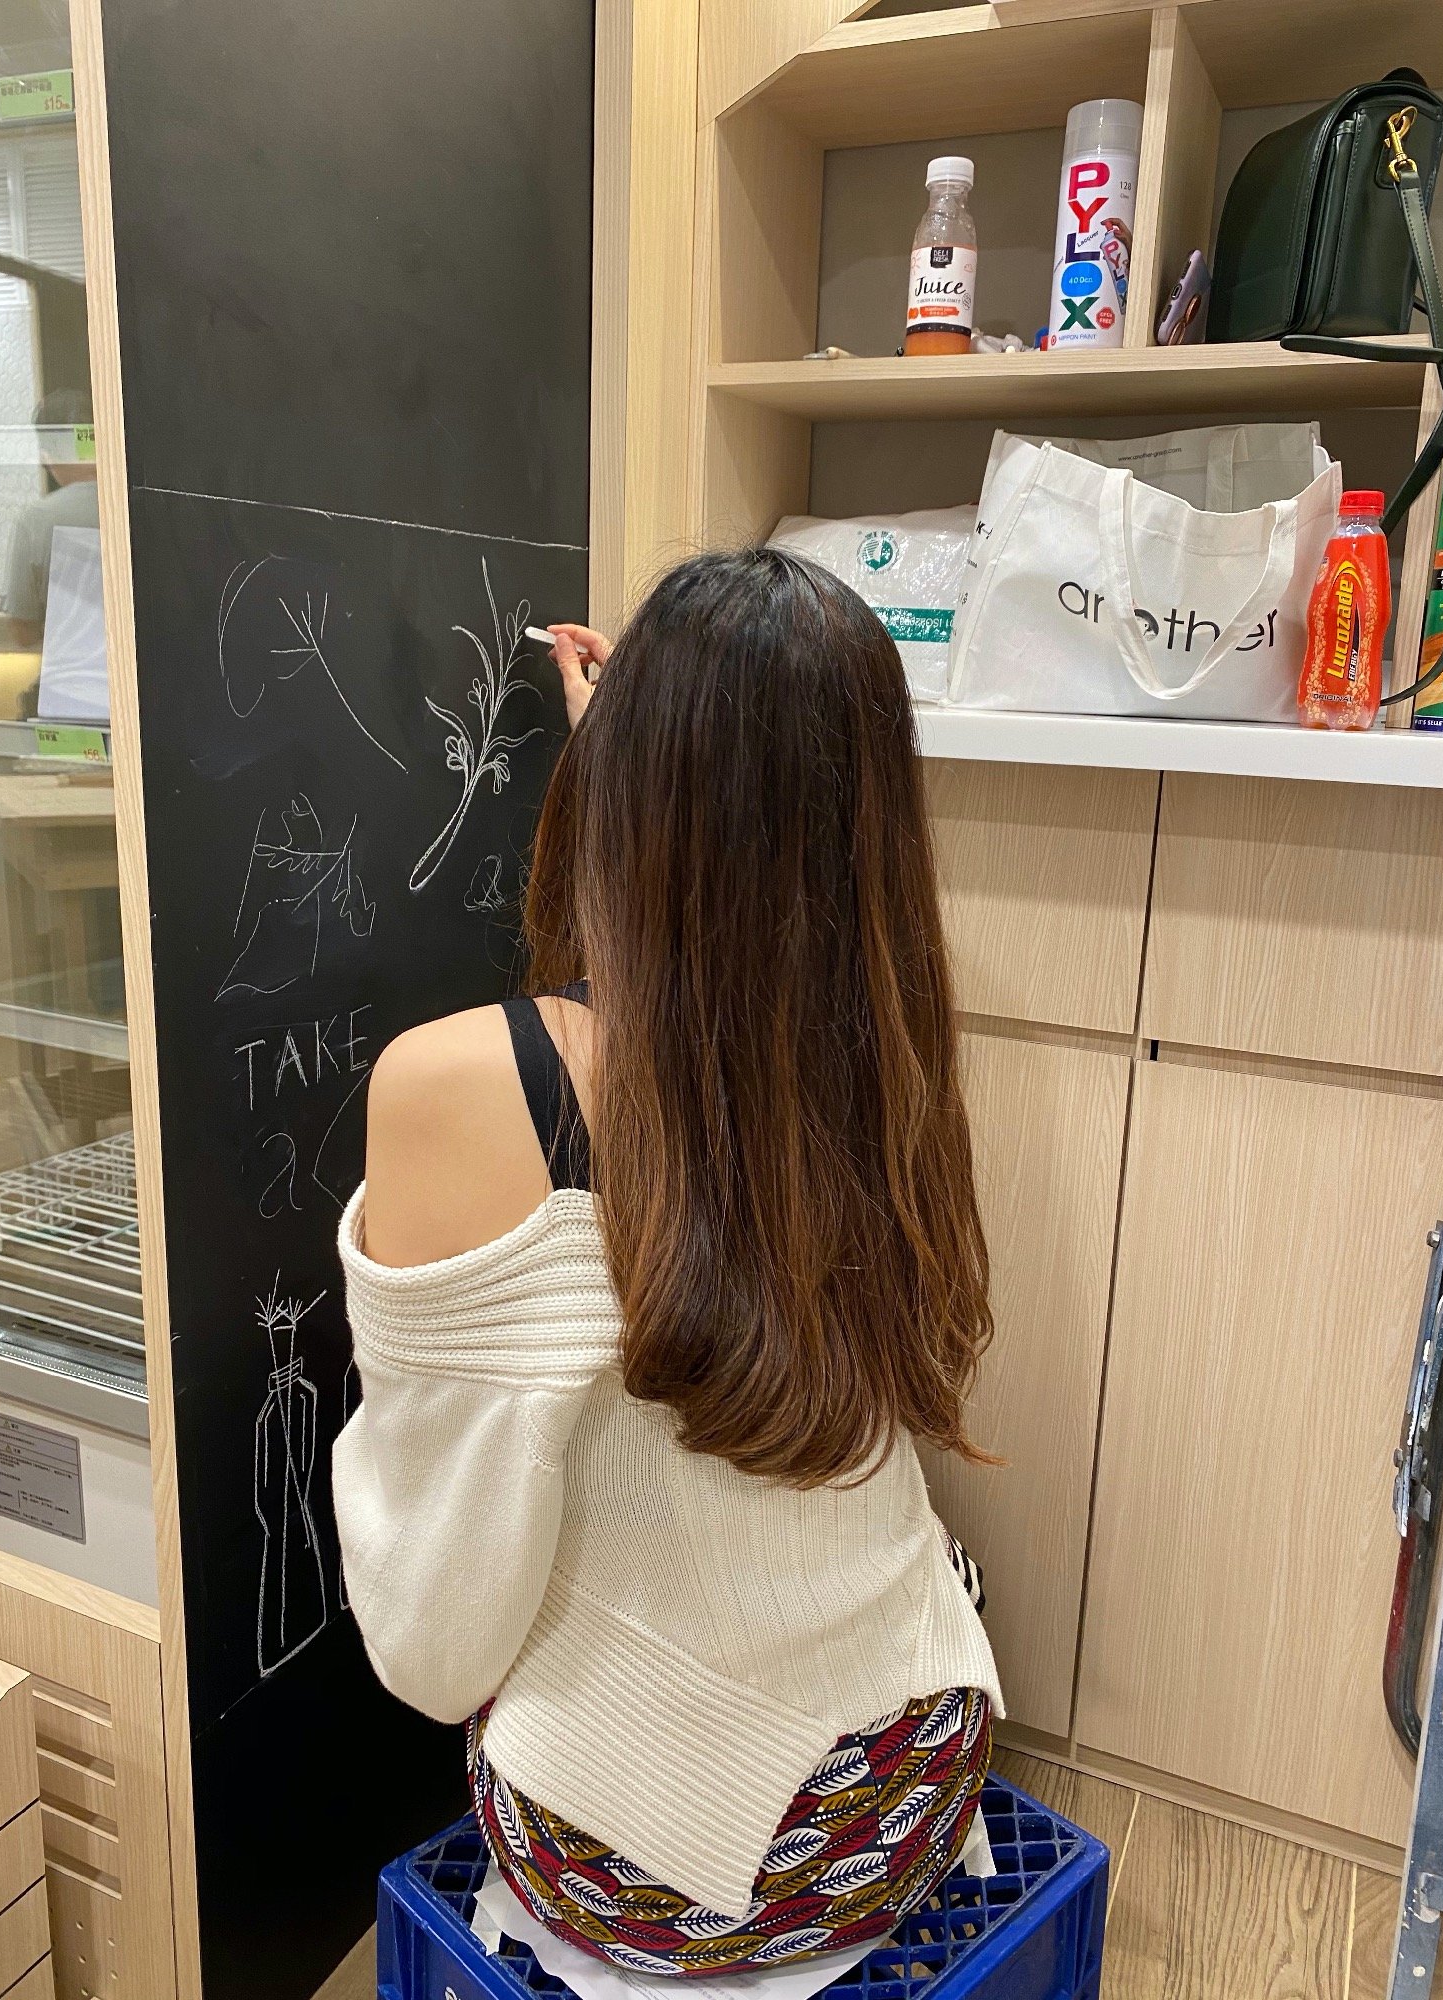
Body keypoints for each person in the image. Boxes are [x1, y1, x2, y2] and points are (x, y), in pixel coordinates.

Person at [334, 548, 1004, 1976]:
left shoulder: (465, 1085)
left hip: (656, 1866)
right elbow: (733, 932)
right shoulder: (880, 1048)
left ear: (623, 794)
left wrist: (642, 767)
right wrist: (656, 755)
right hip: (911, 1784)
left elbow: (433, 1644)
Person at [0, 388, 99, 652]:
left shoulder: (35, 521)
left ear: (48, 453)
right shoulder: (148, 505)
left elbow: (22, 631)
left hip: (71, 670)